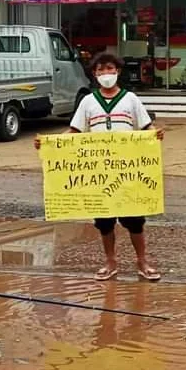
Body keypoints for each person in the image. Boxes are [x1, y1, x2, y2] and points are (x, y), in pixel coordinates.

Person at [33, 52, 164, 281]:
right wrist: (49, 144)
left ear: (118, 72)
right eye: (101, 70)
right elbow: (74, 132)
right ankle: (110, 263)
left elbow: (146, 128)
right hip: (99, 174)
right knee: (104, 223)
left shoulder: (130, 99)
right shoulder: (88, 101)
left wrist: (155, 134)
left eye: (110, 69)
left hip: (127, 171)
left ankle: (143, 262)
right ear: (94, 74)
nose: (106, 74)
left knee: (135, 222)